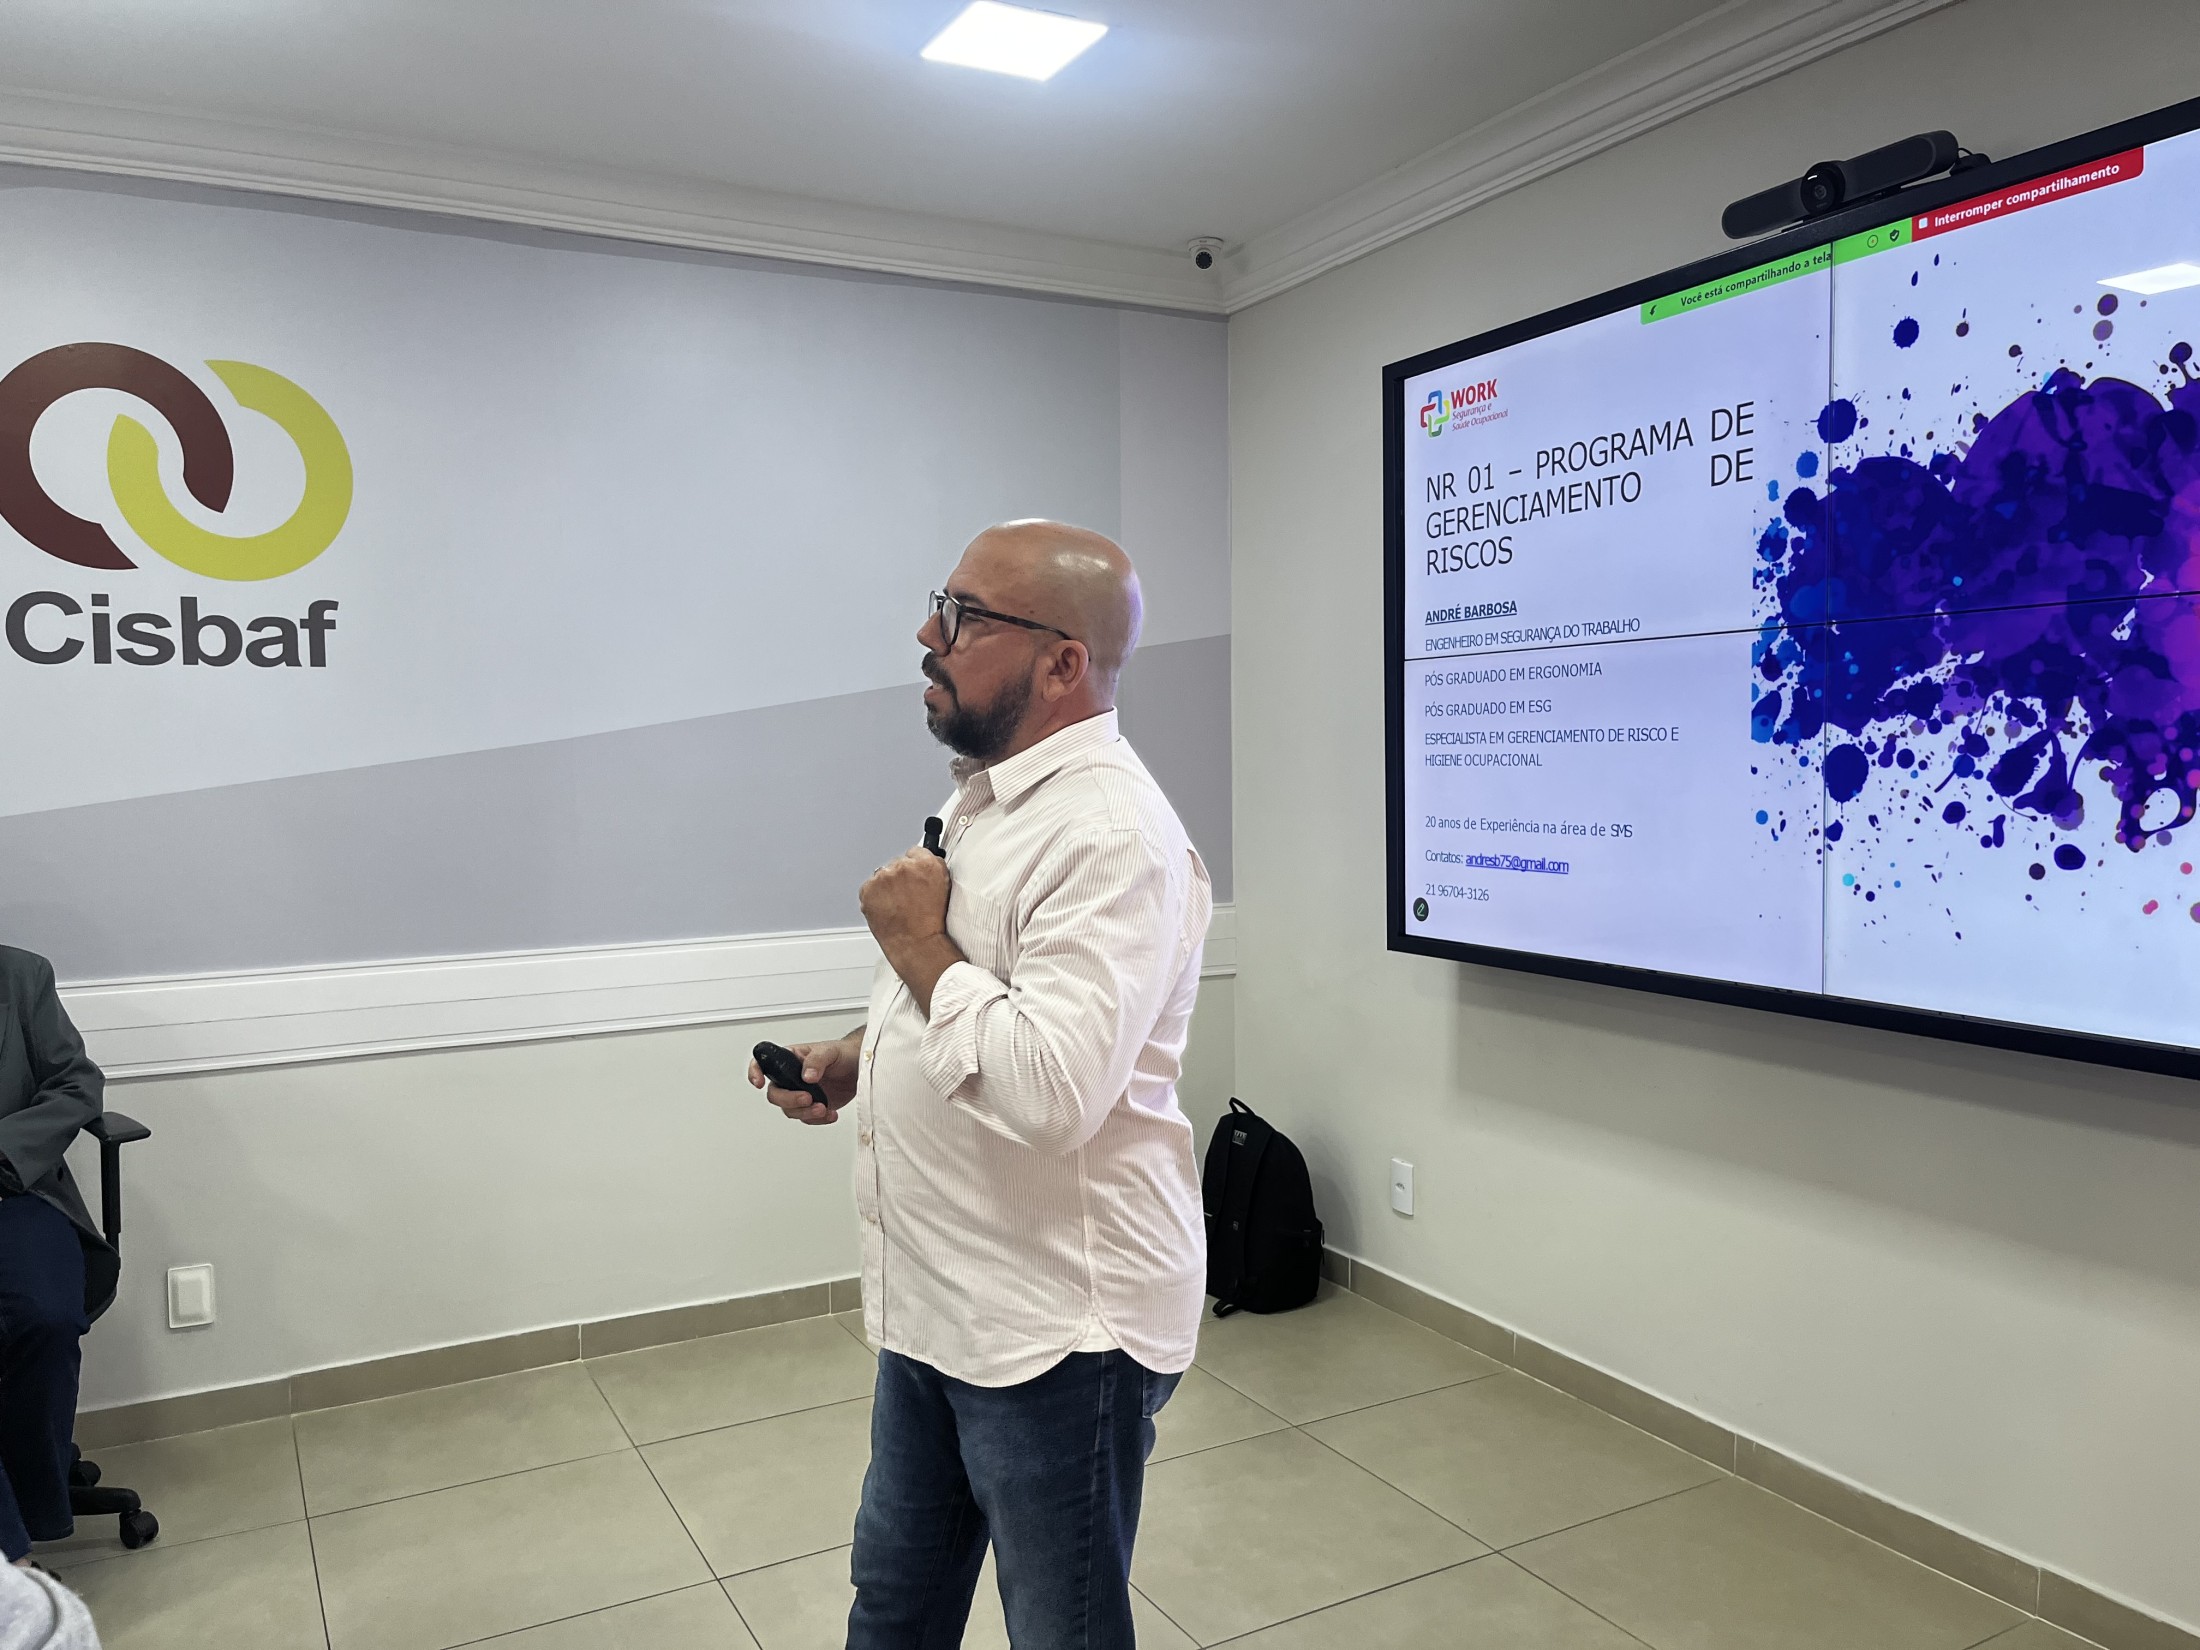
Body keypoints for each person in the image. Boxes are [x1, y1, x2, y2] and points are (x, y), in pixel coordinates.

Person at [750, 520, 1210, 1649]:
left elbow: (1051, 1091)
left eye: (962, 616)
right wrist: (860, 1055)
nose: (927, 634)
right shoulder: (987, 802)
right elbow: (981, 1001)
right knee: (896, 1605)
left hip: (1056, 1333)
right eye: (939, 604)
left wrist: (917, 943)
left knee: (1062, 1630)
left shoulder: (1111, 837)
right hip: (940, 1303)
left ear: (1062, 664)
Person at [0, 948, 112, 1573]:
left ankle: (37, 1501)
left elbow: (77, 1084)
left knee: (46, 1316)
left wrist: (5, 1151)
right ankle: (12, 1564)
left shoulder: (20, 976)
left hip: (13, 1189)